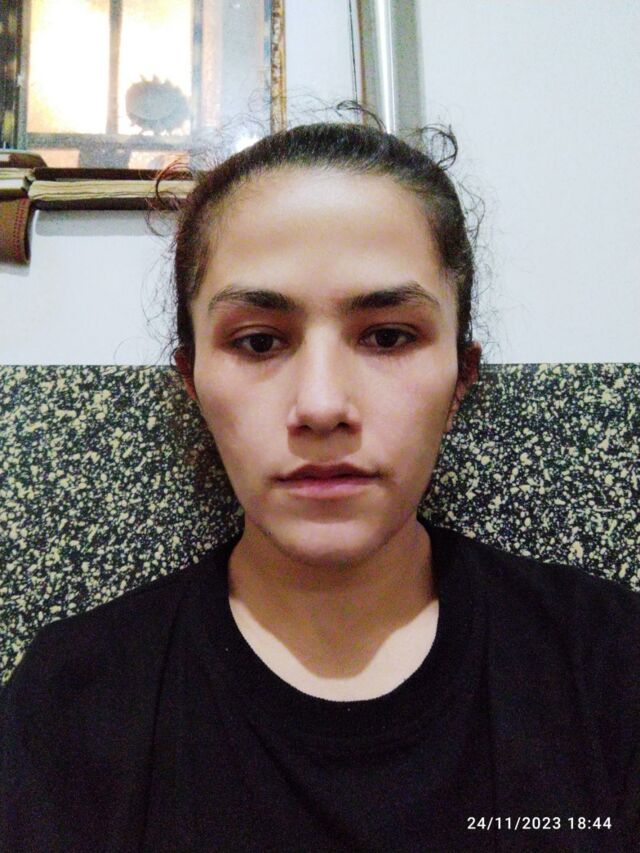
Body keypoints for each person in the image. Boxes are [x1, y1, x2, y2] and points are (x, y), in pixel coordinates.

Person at [1, 120, 639, 853]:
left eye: (389, 336)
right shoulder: (70, 702)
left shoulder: (609, 668)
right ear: (192, 381)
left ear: (461, 376)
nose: (323, 405)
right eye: (259, 342)